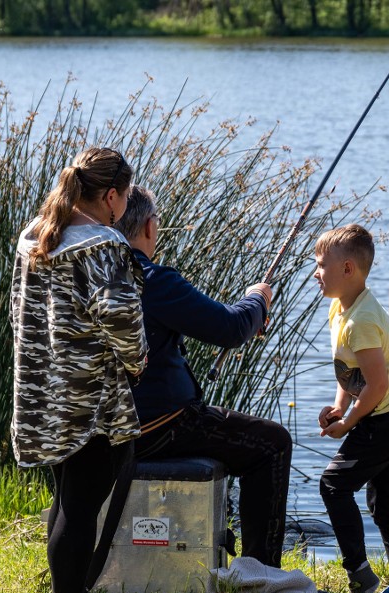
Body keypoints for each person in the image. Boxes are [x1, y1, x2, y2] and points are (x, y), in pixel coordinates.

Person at [114, 185, 292, 568]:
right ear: (148, 226)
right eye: (157, 222)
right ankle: (260, 575)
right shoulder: (154, 279)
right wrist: (257, 300)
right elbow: (229, 327)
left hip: (108, 425)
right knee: (272, 444)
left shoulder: (98, 272)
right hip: (160, 426)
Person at [10, 147, 147, 593]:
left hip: (41, 389)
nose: (126, 205)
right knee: (82, 504)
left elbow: (18, 309)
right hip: (89, 395)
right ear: (110, 195)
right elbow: (119, 315)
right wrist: (137, 360)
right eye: (125, 196)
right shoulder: (103, 244)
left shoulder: (36, 233)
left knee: (67, 496)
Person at [313, 224, 389, 593]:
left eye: (322, 265)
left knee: (334, 485)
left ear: (348, 270)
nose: (315, 272)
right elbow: (350, 371)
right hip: (386, 412)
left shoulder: (362, 321)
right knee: (384, 504)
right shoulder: (339, 307)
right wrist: (339, 407)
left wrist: (349, 423)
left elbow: (377, 386)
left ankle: (359, 574)